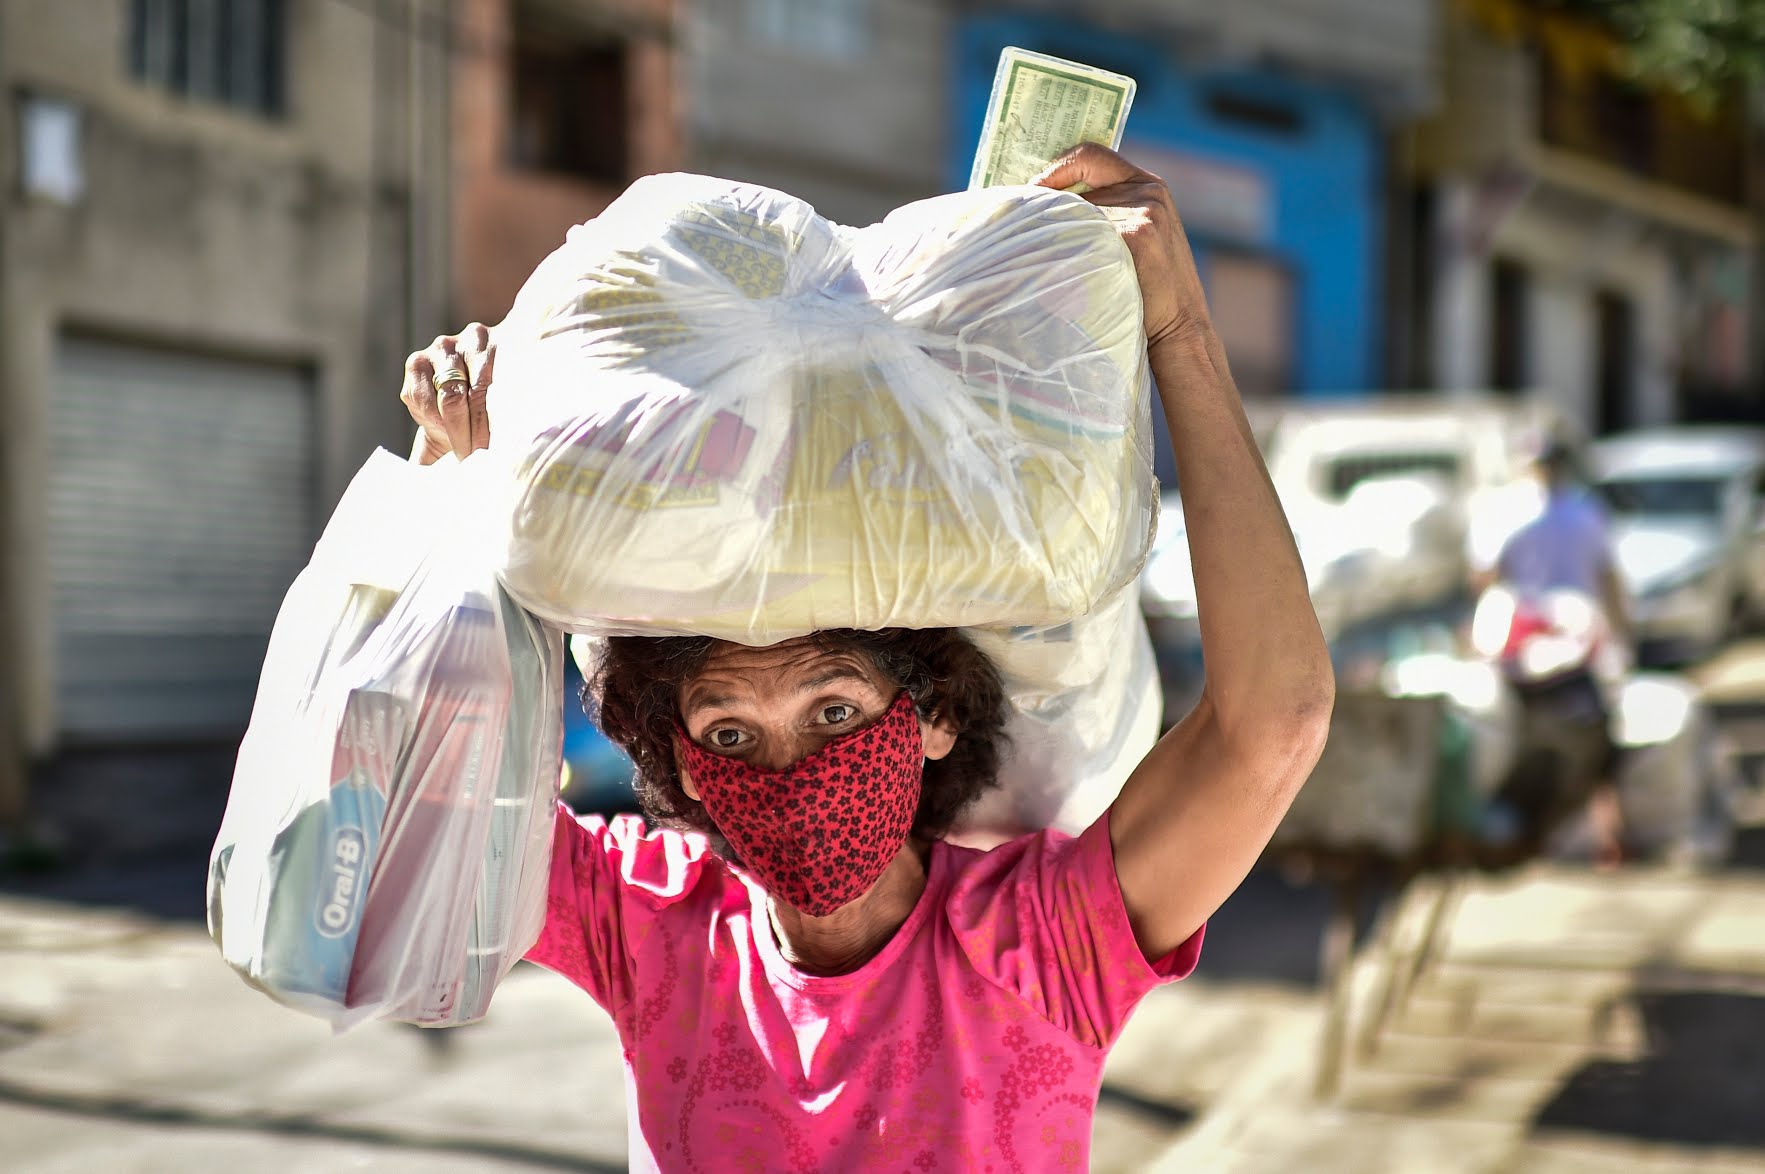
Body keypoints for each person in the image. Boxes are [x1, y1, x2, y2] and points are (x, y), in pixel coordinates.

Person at [400, 145, 1334, 1171]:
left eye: (836, 712)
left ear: (934, 713)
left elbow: (1270, 724)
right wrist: (447, 473)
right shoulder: (655, 926)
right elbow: (409, 801)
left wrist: (1181, 335)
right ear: (674, 757)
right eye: (727, 732)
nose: (787, 772)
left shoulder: (1033, 946)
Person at [1482, 438, 1631, 865]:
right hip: (1576, 649)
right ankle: (1606, 835)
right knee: (1600, 742)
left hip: (1524, 655)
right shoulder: (1586, 514)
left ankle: (1535, 829)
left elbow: (1487, 580)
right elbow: (1609, 582)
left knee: (1518, 743)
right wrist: (1621, 639)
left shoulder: (1506, 516)